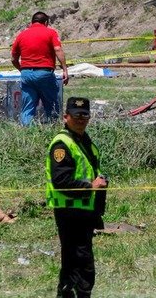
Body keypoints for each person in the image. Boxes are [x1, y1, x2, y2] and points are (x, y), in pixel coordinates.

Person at [46, 97, 107, 298]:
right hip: (70, 210)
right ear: (66, 117)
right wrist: (91, 186)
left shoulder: (83, 140)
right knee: (79, 262)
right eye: (76, 115)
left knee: (79, 261)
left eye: (84, 115)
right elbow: (61, 180)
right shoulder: (62, 144)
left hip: (85, 209)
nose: (81, 119)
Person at [11, 11, 69, 125]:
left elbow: (13, 59)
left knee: (27, 108)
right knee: (51, 105)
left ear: (31, 22)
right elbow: (57, 49)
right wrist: (65, 69)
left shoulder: (21, 35)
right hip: (44, 73)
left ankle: (26, 133)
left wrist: (22, 69)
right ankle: (52, 130)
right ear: (46, 22)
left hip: (26, 74)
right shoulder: (50, 32)